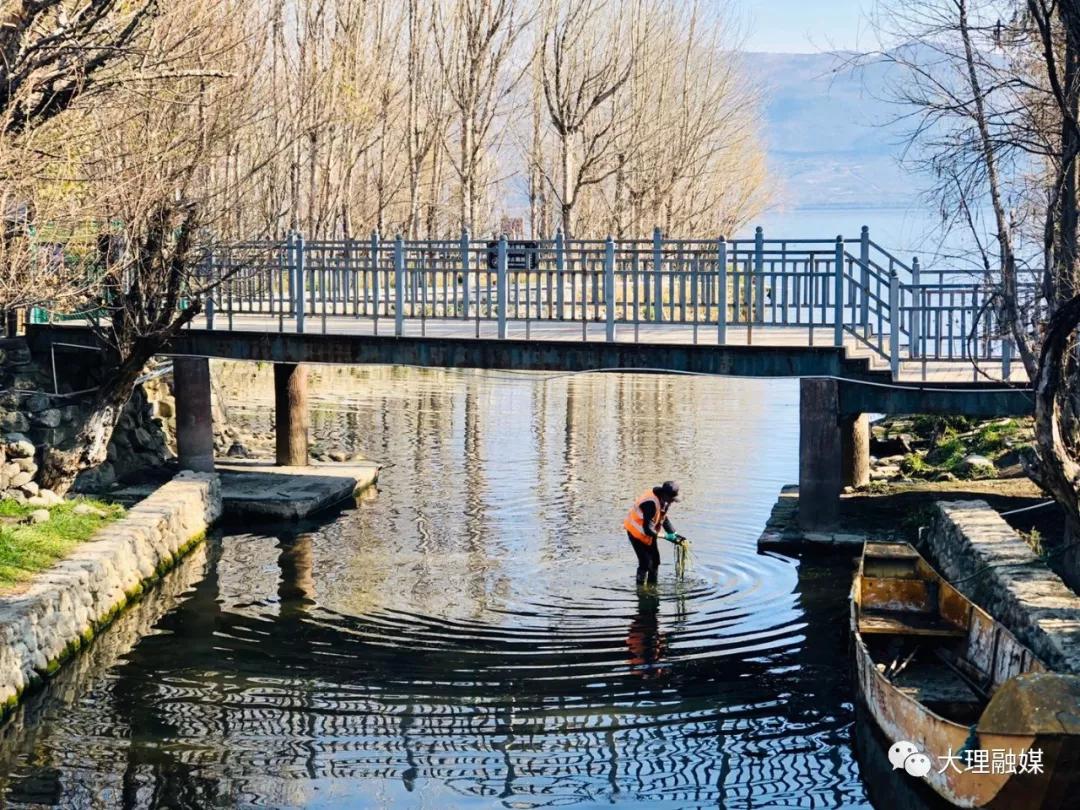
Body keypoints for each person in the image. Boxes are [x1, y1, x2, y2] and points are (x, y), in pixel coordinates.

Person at [623, 481, 682, 586]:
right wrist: (666, 536)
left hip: (649, 533)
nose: (672, 502)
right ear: (664, 495)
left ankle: (652, 585)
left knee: (655, 562)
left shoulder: (664, 501)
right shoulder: (650, 503)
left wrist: (675, 534)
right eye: (671, 499)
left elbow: (663, 518)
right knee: (645, 563)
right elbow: (648, 530)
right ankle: (641, 588)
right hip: (636, 533)